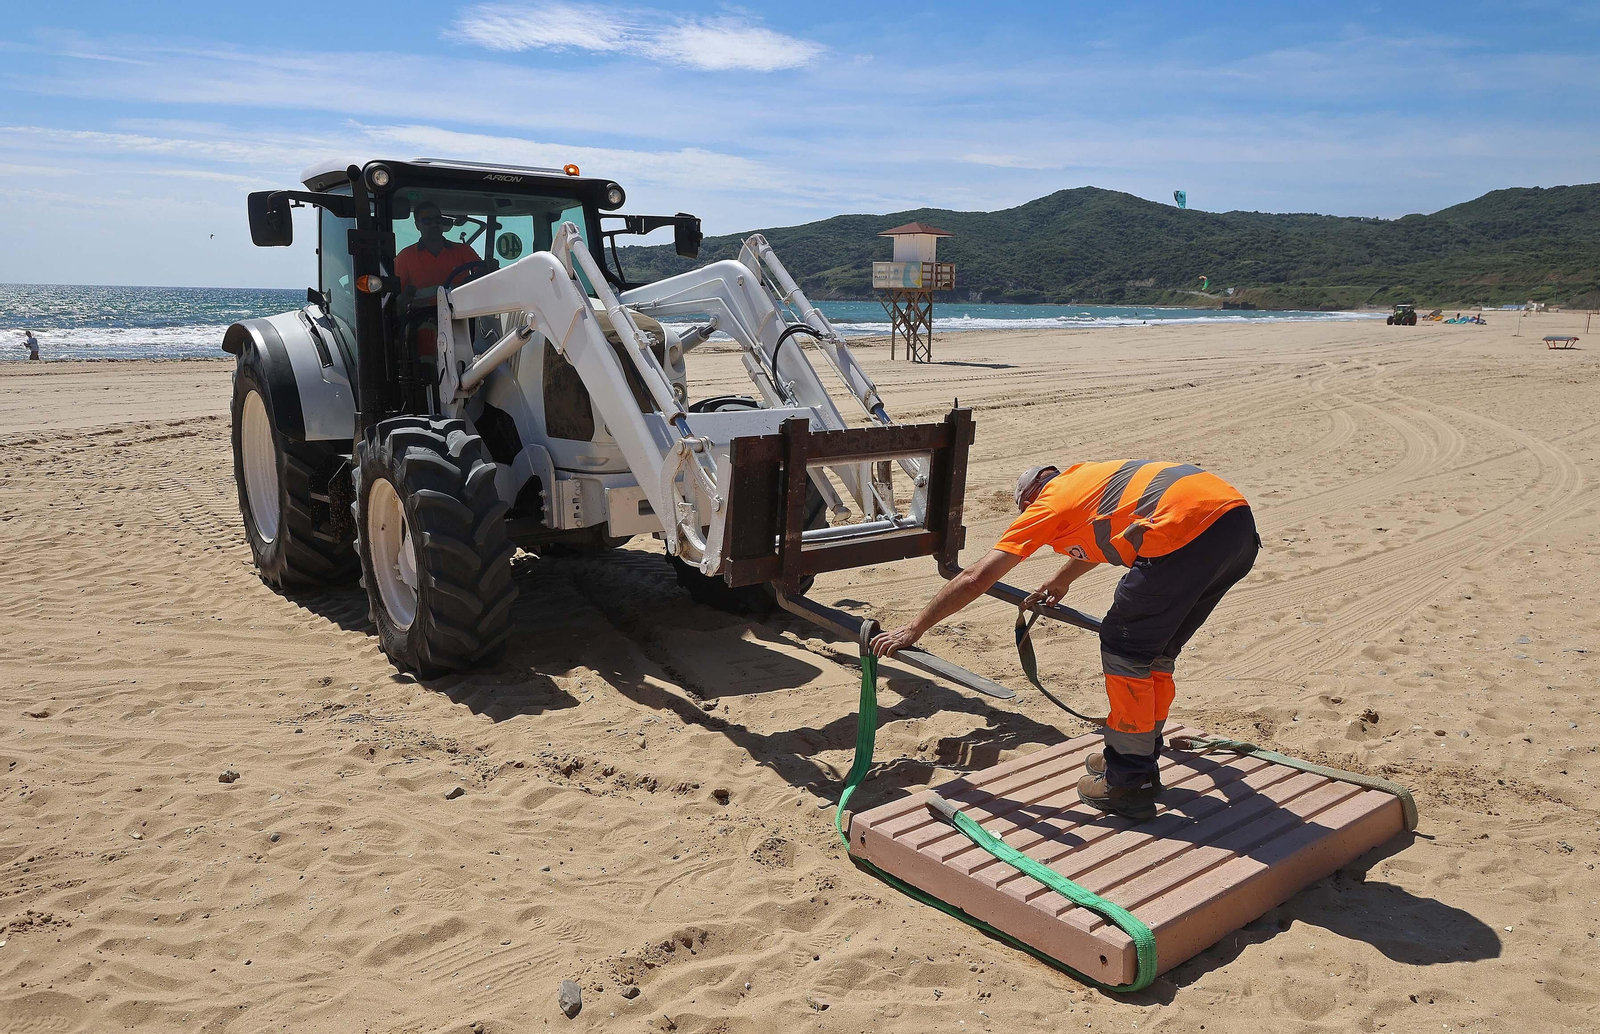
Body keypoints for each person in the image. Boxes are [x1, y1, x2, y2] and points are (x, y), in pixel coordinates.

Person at [871, 460, 1259, 820]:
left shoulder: (1047, 504)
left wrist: (915, 628)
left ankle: (1128, 782)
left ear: (1029, 501)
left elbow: (976, 577)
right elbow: (1106, 531)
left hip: (1186, 531)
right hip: (1235, 527)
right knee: (1155, 652)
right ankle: (1136, 758)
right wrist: (1062, 579)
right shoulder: (1084, 483)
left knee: (1125, 649)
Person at [395, 201, 481, 294]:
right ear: (417, 225)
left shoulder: (463, 251)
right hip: (421, 304)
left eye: (438, 220)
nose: (434, 224)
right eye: (427, 221)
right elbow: (396, 293)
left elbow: (484, 275)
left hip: (461, 303)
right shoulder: (405, 258)